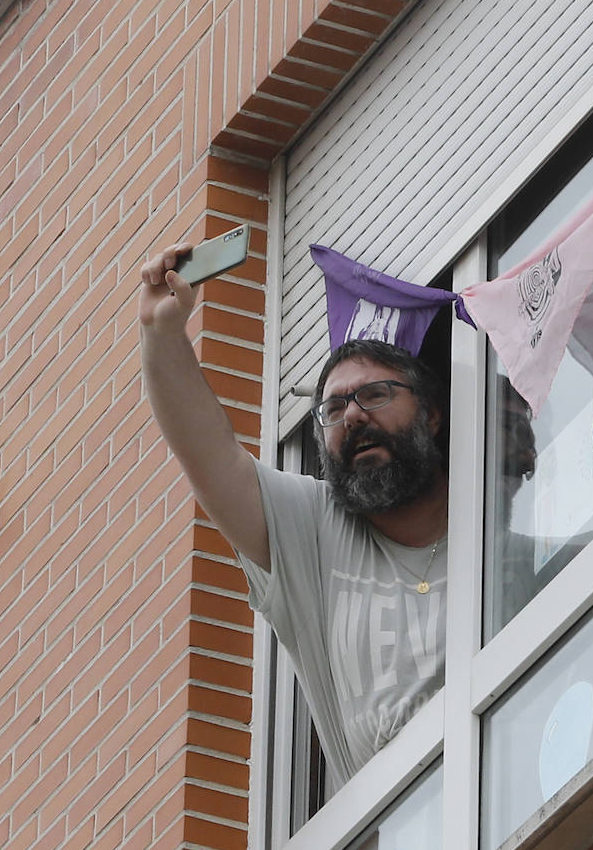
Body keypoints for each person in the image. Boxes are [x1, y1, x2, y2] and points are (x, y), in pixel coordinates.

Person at [138, 245, 449, 782]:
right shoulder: (315, 531)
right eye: (331, 408)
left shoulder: (493, 525)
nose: (351, 416)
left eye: (375, 394)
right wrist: (161, 335)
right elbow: (208, 455)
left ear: (433, 414)